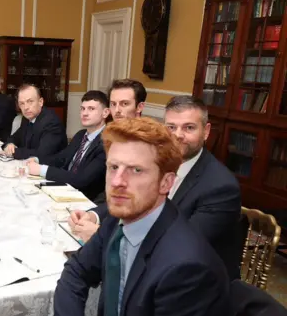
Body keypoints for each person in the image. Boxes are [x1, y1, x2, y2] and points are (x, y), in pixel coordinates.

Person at [0, 117, 237, 316]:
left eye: (136, 170)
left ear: (165, 182)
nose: (118, 182)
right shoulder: (119, 221)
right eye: (113, 167)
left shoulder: (187, 267)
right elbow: (76, 272)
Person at [69, 96, 242, 280]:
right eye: (171, 127)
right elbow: (132, 196)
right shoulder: (158, 163)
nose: (178, 135)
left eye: (189, 128)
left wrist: (104, 236)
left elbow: (178, 246)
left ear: (206, 131)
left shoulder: (221, 187)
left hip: (195, 283)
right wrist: (94, 215)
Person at [26, 90, 110, 202]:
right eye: (82, 108)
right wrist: (37, 160)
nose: (84, 113)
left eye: (91, 109)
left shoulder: (106, 142)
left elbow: (82, 179)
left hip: (84, 199)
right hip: (63, 188)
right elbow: (60, 158)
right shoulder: (81, 135)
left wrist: (42, 170)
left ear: (105, 113)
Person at [2, 84, 67, 160]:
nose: (26, 107)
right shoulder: (27, 118)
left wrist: (13, 152)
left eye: (30, 101)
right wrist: (10, 144)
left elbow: (41, 154)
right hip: (30, 166)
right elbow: (14, 137)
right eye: (22, 103)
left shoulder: (52, 123)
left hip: (50, 169)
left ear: (40, 102)